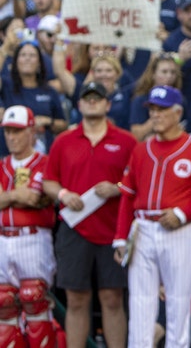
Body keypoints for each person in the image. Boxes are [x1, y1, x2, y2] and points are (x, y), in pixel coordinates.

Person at [112, 85, 191, 348]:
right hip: (143, 228)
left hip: (180, 230)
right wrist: (119, 239)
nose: (156, 114)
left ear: (177, 112)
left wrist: (183, 214)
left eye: (162, 109)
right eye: (152, 109)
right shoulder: (141, 149)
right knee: (139, 299)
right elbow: (127, 196)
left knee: (178, 301)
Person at [42, 82, 136, 348]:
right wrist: (63, 195)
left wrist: (117, 188)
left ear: (108, 104)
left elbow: (139, 181)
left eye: (98, 98)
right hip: (75, 230)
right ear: (79, 105)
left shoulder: (126, 141)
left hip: (113, 231)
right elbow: (49, 181)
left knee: (112, 298)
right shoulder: (64, 141)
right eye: (87, 98)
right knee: (76, 298)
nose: (92, 102)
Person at [0, 106, 56, 347]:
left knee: (33, 298)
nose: (12, 137)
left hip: (33, 238)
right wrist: (16, 196)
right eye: (8, 131)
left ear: (32, 131)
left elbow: (33, 198)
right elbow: (23, 197)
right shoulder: (1, 164)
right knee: (3, 303)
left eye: (18, 131)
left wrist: (7, 196)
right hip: (3, 238)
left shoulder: (44, 162)